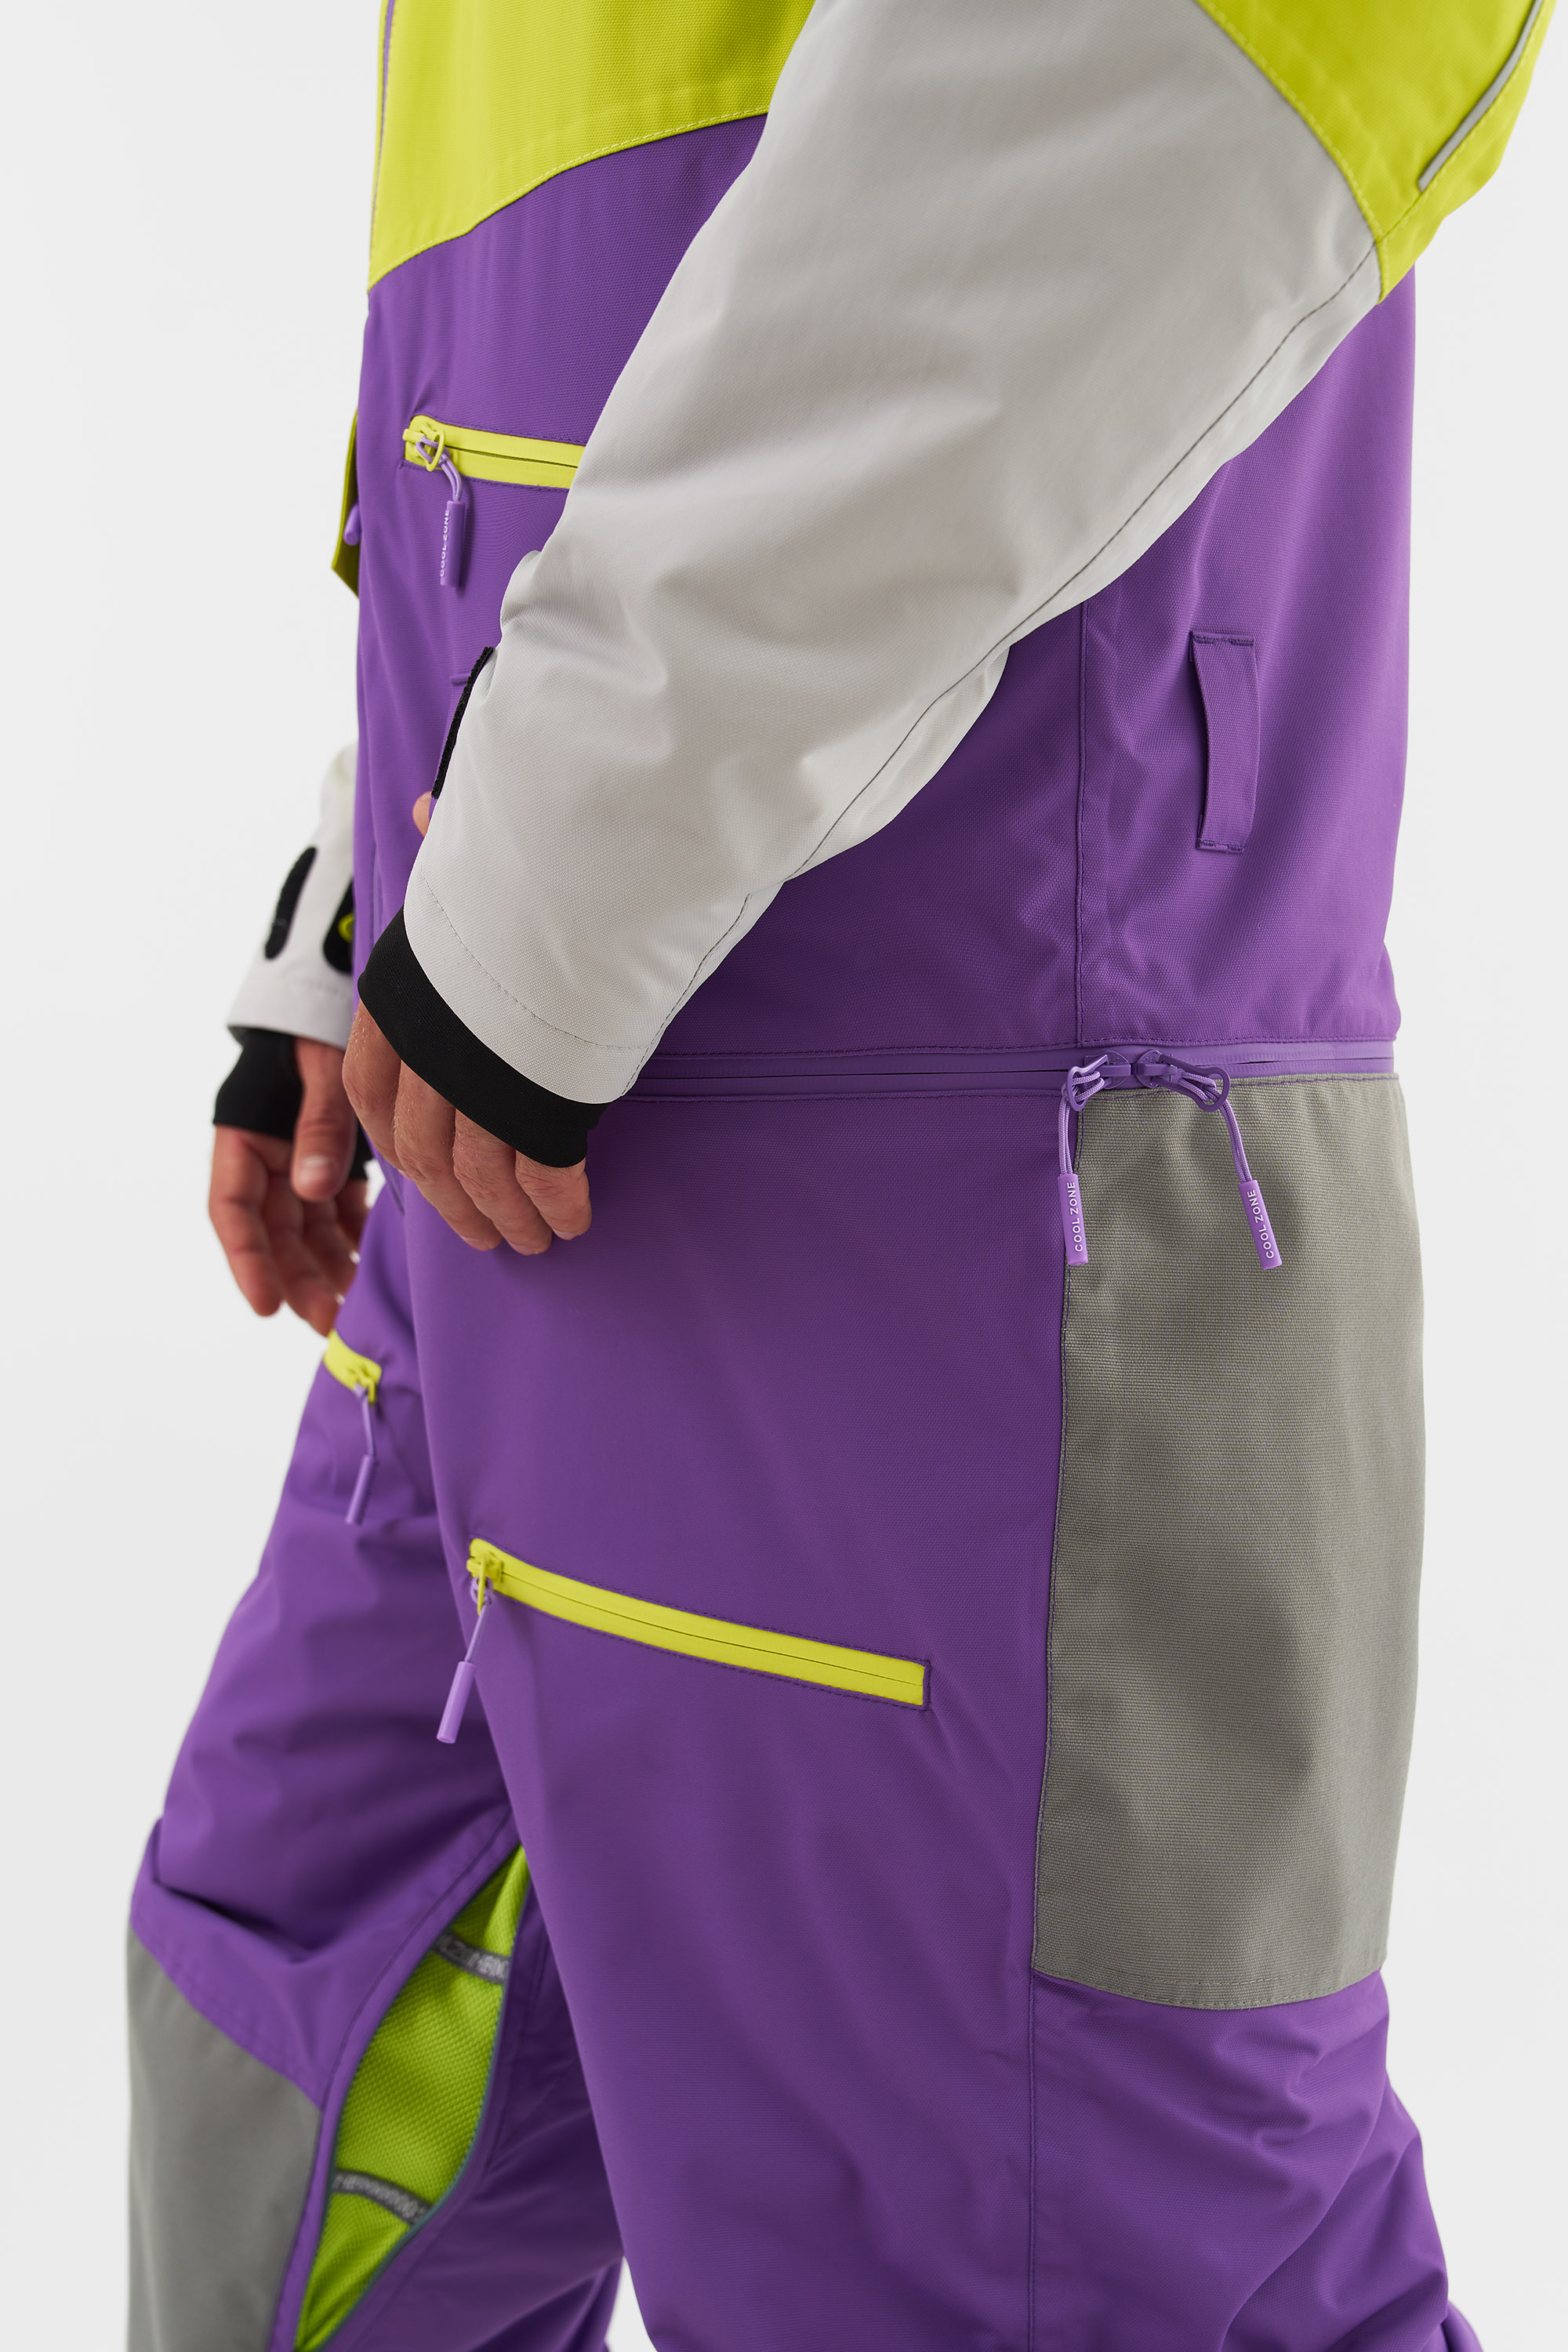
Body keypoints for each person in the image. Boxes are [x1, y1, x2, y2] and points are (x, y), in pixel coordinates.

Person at [129, 4, 1555, 2348]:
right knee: (289, 2077)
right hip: (527, 1047)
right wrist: (380, 890)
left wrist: (563, 842)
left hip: (958, 1147)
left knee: (1051, 2248)